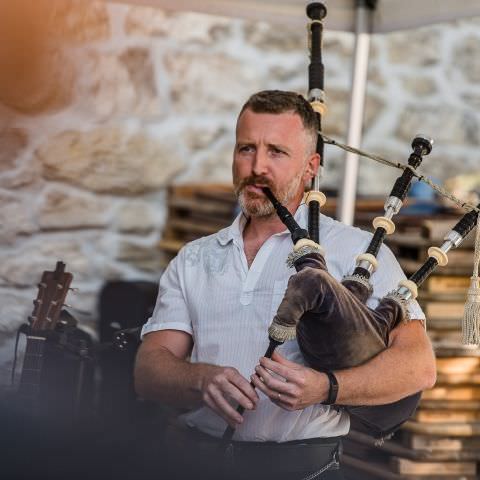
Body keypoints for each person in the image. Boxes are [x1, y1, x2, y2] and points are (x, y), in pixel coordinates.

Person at [134, 90, 436, 480]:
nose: (256, 166)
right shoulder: (194, 258)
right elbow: (148, 370)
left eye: (276, 151)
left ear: (311, 167)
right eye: (246, 149)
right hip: (198, 461)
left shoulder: (356, 250)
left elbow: (417, 367)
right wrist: (199, 378)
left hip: (305, 468)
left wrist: (327, 387)